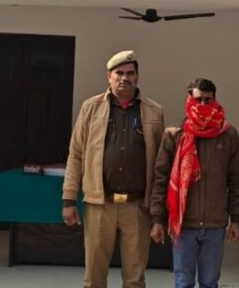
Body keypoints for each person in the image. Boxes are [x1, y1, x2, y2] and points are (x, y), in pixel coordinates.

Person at [62, 50, 164, 288]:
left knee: (135, 279)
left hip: (137, 206)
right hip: (100, 204)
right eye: (119, 73)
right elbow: (76, 154)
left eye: (130, 73)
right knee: (94, 278)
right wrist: (68, 199)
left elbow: (160, 164)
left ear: (137, 76)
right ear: (109, 76)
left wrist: (158, 211)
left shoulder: (154, 111)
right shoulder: (91, 108)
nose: (124, 78)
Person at [150, 78, 239, 288]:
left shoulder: (228, 135)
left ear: (215, 100)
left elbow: (236, 181)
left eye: (207, 100)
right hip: (183, 224)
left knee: (210, 282)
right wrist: (157, 219)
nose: (203, 104)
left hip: (215, 225)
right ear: (189, 101)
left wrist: (236, 219)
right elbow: (161, 179)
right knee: (183, 282)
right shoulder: (175, 133)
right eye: (198, 100)